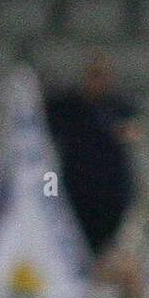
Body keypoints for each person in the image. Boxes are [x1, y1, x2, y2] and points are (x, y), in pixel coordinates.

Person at [46, 53, 140, 257]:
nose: (97, 81)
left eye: (102, 76)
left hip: (110, 194)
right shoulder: (68, 105)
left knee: (106, 249)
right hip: (77, 190)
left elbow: (135, 133)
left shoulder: (120, 107)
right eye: (93, 75)